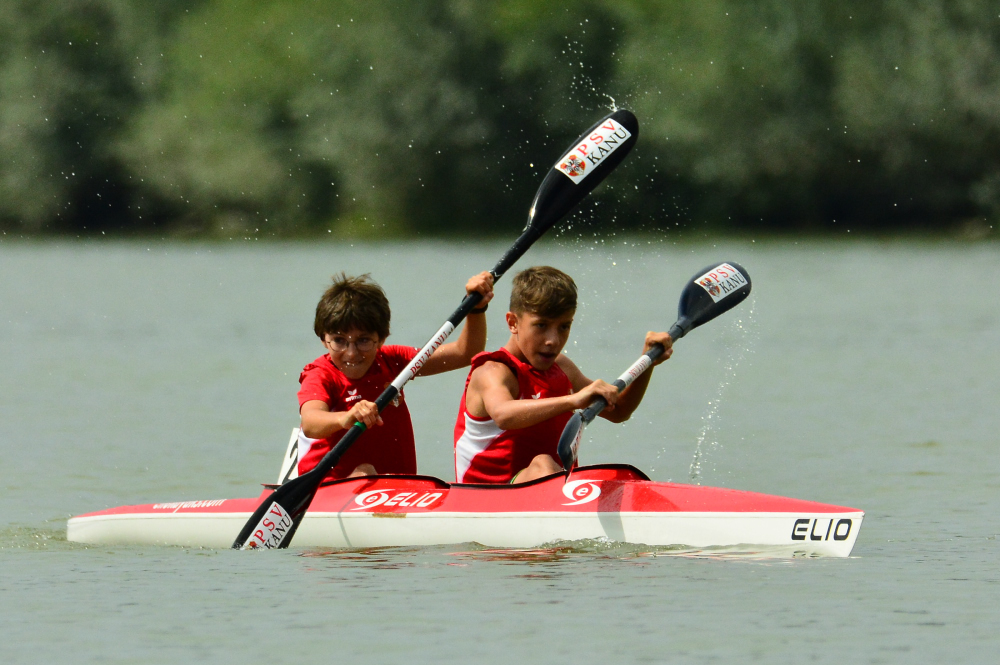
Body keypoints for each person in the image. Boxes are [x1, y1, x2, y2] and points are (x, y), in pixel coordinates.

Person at [453, 266, 672, 484]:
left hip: (544, 490)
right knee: (543, 463)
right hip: (486, 498)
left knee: (614, 475)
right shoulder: (492, 371)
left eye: (564, 327)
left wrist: (647, 362)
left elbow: (620, 411)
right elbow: (503, 415)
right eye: (541, 325)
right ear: (513, 323)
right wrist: (573, 400)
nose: (553, 340)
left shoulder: (562, 368)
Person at [298, 271, 494, 479]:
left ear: (382, 338)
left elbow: (465, 353)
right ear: (323, 339)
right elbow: (310, 422)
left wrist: (476, 309)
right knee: (365, 472)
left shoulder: (393, 361)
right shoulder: (320, 374)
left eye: (363, 340)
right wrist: (345, 417)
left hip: (394, 488)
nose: (351, 353)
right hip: (326, 486)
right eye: (339, 341)